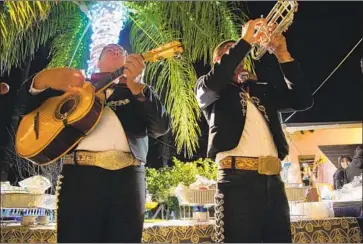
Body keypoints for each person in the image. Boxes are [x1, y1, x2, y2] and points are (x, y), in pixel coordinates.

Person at [17, 44, 170, 242]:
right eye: (109, 49)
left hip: (128, 180)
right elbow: (23, 108)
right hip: (80, 179)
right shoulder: (74, 91)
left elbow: (160, 128)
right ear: (96, 62)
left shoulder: (138, 91)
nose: (116, 49)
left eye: (121, 50)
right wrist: (41, 80)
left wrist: (137, 88)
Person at [195, 19, 313, 243]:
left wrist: (282, 54)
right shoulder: (207, 89)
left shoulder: (261, 90)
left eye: (239, 49)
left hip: (273, 181)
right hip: (236, 181)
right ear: (217, 62)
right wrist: (245, 39)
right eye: (229, 52)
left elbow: (302, 100)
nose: (238, 54)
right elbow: (218, 78)